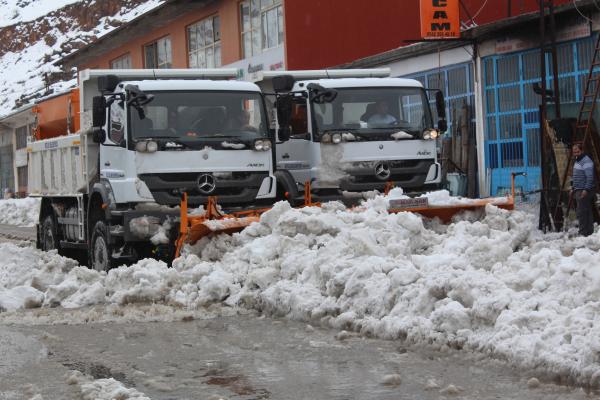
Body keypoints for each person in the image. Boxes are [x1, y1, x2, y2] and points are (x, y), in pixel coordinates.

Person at [571, 143, 596, 236]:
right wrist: (573, 187)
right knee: (586, 210)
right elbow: (576, 175)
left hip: (583, 190)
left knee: (581, 212)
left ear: (582, 151)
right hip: (578, 189)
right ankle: (589, 232)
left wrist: (586, 189)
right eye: (574, 152)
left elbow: (590, 177)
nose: (576, 154)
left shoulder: (586, 161)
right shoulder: (578, 160)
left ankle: (582, 232)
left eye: (577, 151)